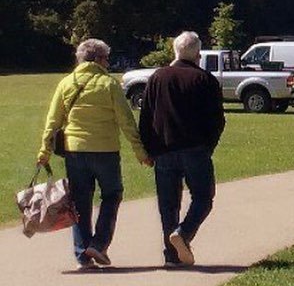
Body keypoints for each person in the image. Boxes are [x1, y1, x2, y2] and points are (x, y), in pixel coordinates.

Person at [37, 39, 151, 270]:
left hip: (75, 151)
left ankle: (82, 254)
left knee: (80, 203)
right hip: (105, 150)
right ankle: (99, 244)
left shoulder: (66, 83)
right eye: (106, 58)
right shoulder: (109, 85)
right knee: (112, 195)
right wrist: (140, 152)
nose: (108, 62)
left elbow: (52, 121)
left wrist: (44, 151)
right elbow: (126, 122)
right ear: (98, 59)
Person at [139, 31, 225, 267]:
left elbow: (146, 116)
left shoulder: (157, 77)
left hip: (163, 149)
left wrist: (147, 148)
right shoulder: (205, 80)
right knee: (204, 198)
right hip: (196, 148)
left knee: (168, 205)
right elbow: (217, 120)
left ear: (174, 51)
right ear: (198, 54)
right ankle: (184, 233)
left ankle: (172, 254)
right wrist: (209, 145)